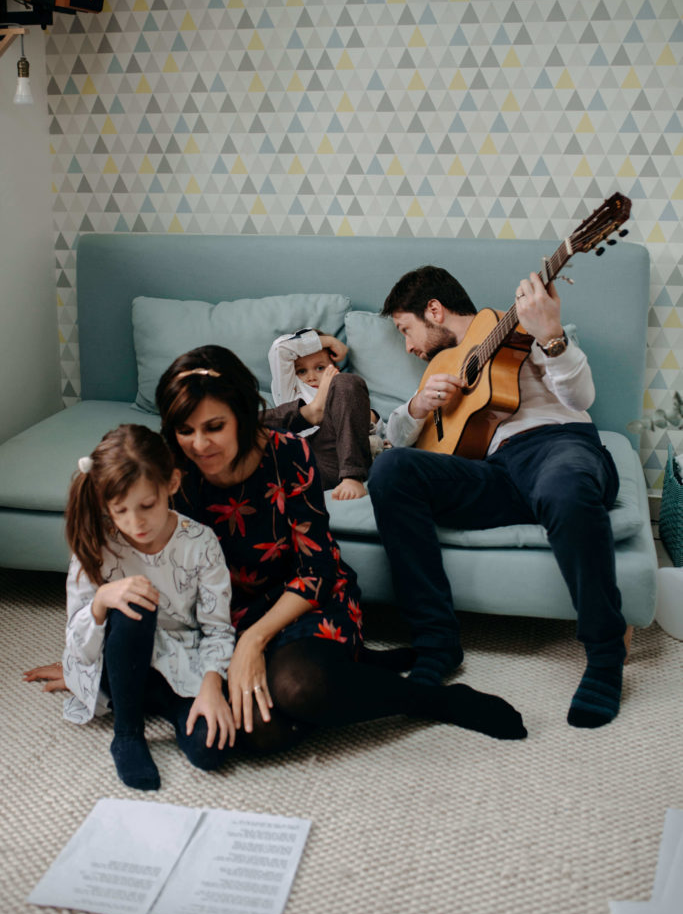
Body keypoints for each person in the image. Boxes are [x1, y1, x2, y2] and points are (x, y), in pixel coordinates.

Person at [25, 346, 527, 746]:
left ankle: (433, 700)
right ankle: (360, 674)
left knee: (300, 687)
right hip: (219, 617)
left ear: (243, 415)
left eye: (214, 427)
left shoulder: (291, 456)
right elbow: (125, 545)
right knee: (253, 728)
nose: (200, 444)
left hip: (304, 600)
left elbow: (315, 571)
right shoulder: (174, 475)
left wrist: (253, 641)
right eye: (185, 430)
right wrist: (89, 664)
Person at [368, 265, 627, 730]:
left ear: (434, 310)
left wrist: (551, 336)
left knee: (564, 487)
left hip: (557, 447)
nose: (408, 346)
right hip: (492, 473)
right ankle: (436, 643)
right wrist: (417, 406)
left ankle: (606, 656)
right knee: (390, 470)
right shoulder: (441, 368)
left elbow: (582, 396)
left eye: (406, 330)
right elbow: (396, 438)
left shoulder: (524, 329)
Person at [52, 425, 235, 791]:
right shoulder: (95, 545)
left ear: (171, 484)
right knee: (133, 597)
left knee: (211, 750)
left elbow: (218, 628)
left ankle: (161, 703)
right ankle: (128, 734)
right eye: (120, 511)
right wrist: (103, 599)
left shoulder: (200, 543)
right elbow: (78, 643)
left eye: (146, 506)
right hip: (116, 669)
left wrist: (213, 686)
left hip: (180, 665)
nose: (135, 523)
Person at [267, 327, 384, 500]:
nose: (311, 377)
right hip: (306, 456)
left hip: (344, 451)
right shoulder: (291, 390)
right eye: (302, 371)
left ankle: (352, 477)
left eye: (320, 368)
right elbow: (280, 350)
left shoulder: (339, 387)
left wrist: (369, 416)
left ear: (334, 367)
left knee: (347, 382)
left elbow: (375, 427)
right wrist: (331, 342)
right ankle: (316, 409)